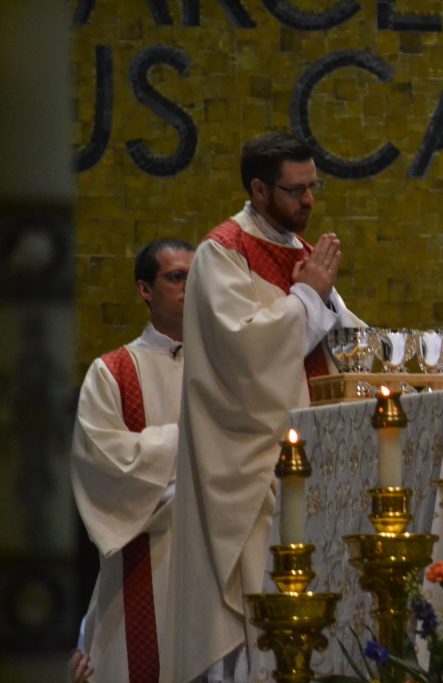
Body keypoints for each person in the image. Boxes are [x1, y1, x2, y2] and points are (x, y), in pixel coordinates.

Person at [166, 132, 361, 682]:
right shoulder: (222, 253)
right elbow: (244, 356)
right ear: (258, 188)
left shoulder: (302, 255)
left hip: (315, 453)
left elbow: (342, 339)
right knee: (258, 615)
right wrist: (307, 298)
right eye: (295, 189)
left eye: (313, 186)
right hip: (251, 468)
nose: (308, 201)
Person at [70, 238, 194, 683]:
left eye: (195, 276)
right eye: (176, 277)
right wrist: (194, 447)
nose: (189, 286)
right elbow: (104, 463)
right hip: (143, 563)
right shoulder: (112, 372)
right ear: (145, 290)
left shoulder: (228, 367)